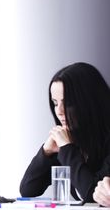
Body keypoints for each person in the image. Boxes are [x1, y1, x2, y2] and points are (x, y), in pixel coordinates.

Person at [20, 62, 110, 203]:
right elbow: (28, 189)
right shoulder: (70, 139)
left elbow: (92, 194)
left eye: (67, 102)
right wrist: (46, 152)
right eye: (55, 103)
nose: (59, 111)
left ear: (88, 102)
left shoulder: (70, 146)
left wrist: (67, 149)